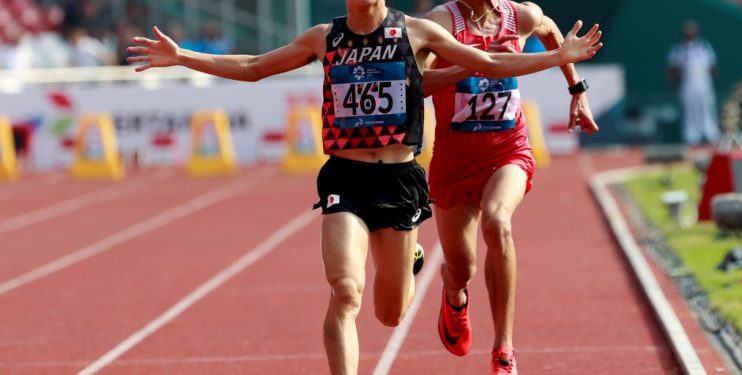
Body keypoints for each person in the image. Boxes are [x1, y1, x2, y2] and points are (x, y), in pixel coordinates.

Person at [126, 1, 601, 373]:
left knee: (391, 314)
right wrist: (183, 56)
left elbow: (490, 64)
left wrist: (561, 61)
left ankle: (412, 262)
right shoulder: (324, 37)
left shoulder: (417, 31)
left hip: (399, 180)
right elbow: (254, 66)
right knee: (346, 290)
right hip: (345, 179)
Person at [421, 1, 600, 373]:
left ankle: (504, 349)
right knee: (461, 268)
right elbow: (418, 84)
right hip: (454, 160)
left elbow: (552, 34)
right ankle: (454, 296)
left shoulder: (521, 16)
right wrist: (473, 62)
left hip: (508, 148)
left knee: (497, 222)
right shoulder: (441, 22)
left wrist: (577, 89)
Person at [668, 20, 720, 146]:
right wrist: (672, 83)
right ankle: (692, 138)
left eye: (692, 31)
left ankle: (711, 135)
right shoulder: (678, 49)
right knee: (690, 110)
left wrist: (715, 79)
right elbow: (673, 68)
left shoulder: (704, 47)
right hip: (688, 84)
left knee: (707, 108)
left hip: (704, 83)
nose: (690, 34)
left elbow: (712, 65)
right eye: (687, 32)